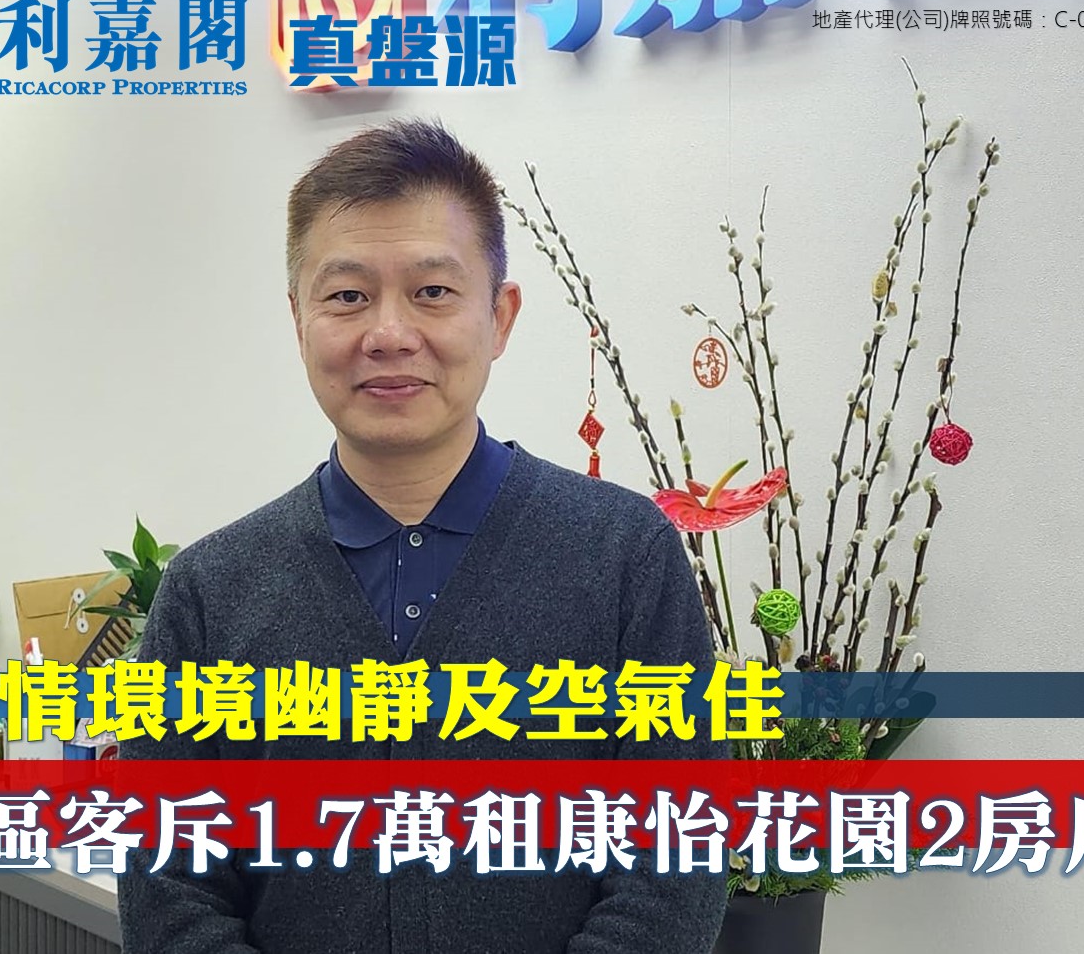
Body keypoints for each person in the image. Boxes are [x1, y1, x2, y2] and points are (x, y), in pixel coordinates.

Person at [117, 118, 728, 953]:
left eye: (432, 291)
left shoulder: (624, 555)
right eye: (347, 295)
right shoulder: (209, 590)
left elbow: (673, 862)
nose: (389, 333)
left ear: (500, 316)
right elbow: (169, 889)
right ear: (298, 319)